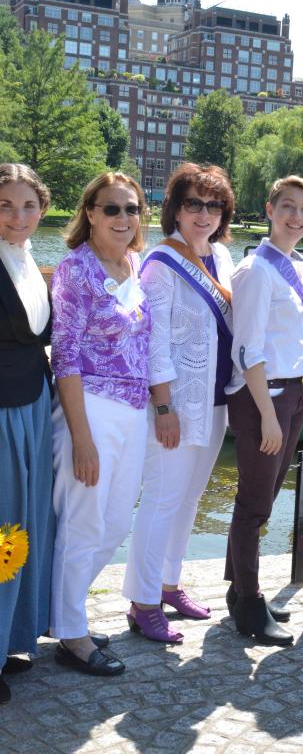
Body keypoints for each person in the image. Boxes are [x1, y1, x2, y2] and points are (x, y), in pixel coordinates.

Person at [122, 164, 235, 642]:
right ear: (176, 208)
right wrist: (163, 407)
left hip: (215, 401)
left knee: (188, 501)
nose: (203, 214)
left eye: (214, 205)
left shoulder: (223, 256)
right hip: (175, 402)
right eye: (194, 203)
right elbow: (154, 342)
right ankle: (142, 601)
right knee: (162, 501)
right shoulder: (161, 264)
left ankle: (168, 583)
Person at [50, 173, 150, 676]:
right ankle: (71, 632)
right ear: (89, 212)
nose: (123, 219)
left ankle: (61, 611)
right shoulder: (75, 270)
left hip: (133, 414)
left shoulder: (134, 265)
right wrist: (81, 439)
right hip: (88, 409)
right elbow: (64, 357)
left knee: (114, 524)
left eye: (130, 209)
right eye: (111, 209)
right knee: (84, 523)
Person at [224, 175, 303, 647]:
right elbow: (248, 350)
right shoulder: (257, 269)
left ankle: (236, 590)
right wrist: (265, 413)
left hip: (293, 393)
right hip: (265, 397)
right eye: (287, 206)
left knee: (261, 501)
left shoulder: (291, 263)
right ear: (268, 208)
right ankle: (249, 605)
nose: (296, 216)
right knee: (254, 505)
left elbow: (294, 335)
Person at [0, 164, 55, 704]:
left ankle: (12, 638)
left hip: (32, 404)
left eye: (28, 206)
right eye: (6, 206)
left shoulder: (28, 260)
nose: (18, 217)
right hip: (1, 409)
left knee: (25, 523)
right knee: (0, 529)